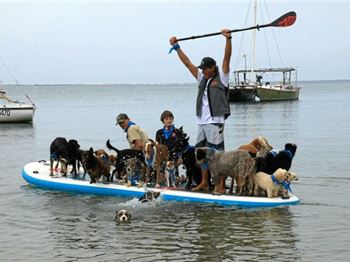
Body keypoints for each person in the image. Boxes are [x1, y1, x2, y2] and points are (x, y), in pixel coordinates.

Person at [169, 29, 232, 191]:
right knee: (201, 154)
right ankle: (205, 182)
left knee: (218, 155)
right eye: (202, 69)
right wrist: (177, 47)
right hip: (202, 122)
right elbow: (188, 64)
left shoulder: (222, 77)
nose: (203, 71)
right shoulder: (202, 79)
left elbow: (227, 58)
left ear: (213, 68)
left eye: (205, 69)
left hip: (215, 121)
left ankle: (220, 184)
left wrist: (228, 39)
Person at [155, 110, 183, 177]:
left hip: (175, 157)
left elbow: (182, 145)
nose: (169, 120)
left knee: (174, 177)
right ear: (163, 121)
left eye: (171, 118)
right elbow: (157, 145)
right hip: (163, 157)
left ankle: (180, 177)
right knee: (162, 176)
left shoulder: (177, 131)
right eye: (166, 119)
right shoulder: (159, 132)